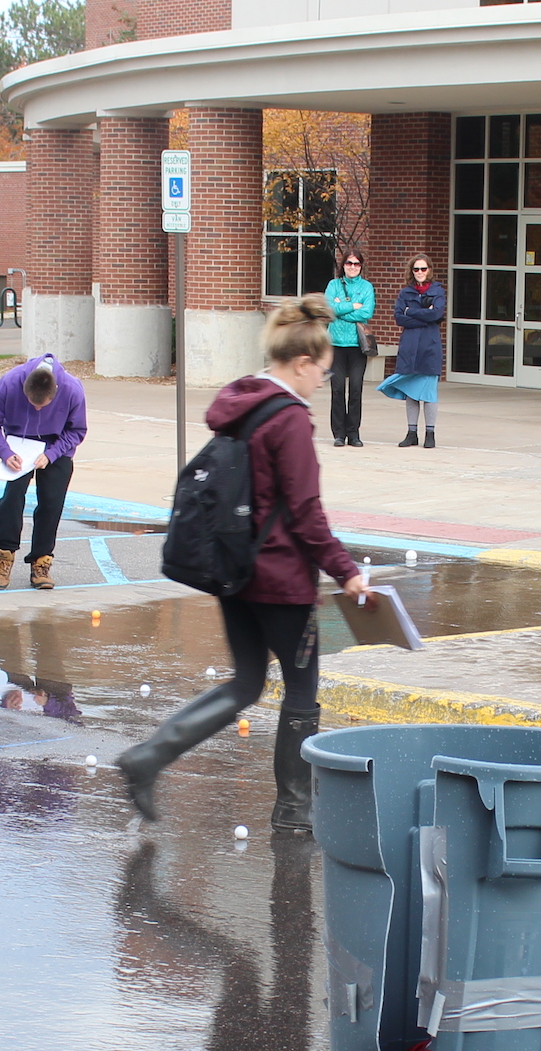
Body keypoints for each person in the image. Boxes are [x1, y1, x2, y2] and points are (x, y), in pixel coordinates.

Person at [117, 297, 369, 832]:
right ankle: (294, 813)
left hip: (234, 571)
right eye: (322, 371)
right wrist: (345, 570)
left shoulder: (242, 402)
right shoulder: (290, 420)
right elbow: (305, 512)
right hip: (282, 582)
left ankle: (149, 757)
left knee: (245, 684)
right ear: (302, 362)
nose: (322, 381)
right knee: (301, 693)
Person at [0, 353, 87, 590]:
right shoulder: (9, 383)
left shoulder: (72, 389)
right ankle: (5, 555)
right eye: (32, 403)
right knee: (12, 498)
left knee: (51, 502)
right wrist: (5, 452)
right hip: (18, 444)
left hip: (56, 446)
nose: (37, 408)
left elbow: (77, 430)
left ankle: (41, 561)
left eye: (43, 405)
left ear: (56, 392)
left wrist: (51, 454)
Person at [381, 256, 445, 448]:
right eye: (416, 269)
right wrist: (425, 317)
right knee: (411, 392)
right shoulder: (405, 293)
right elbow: (399, 318)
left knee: (429, 393)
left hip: (429, 347)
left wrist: (412, 312)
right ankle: (412, 433)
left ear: (429, 270)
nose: (419, 272)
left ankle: (430, 434)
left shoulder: (438, 292)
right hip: (409, 347)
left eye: (423, 269)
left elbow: (437, 314)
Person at [325, 251, 374, 447]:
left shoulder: (367, 287)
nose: (352, 267)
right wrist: (353, 305)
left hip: (357, 346)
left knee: (355, 389)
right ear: (343, 265)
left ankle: (353, 433)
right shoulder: (333, 285)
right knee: (337, 389)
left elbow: (366, 312)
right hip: (335, 344)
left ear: (361, 266)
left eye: (356, 264)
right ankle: (339, 433)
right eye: (349, 263)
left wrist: (341, 308)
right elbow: (329, 309)